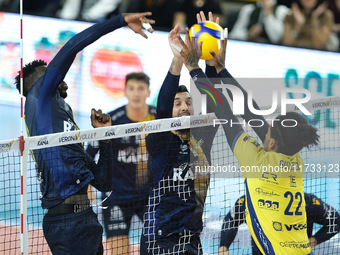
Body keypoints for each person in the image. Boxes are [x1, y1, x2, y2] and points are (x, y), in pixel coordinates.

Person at [14, 12, 155, 255]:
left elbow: (103, 181)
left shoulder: (62, 122)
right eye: (54, 76)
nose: (63, 81)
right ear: (41, 81)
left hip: (85, 219)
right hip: (67, 223)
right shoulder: (41, 97)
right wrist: (120, 21)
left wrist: (105, 136)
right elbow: (72, 46)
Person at [175, 17, 319, 254]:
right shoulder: (295, 159)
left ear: (271, 142)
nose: (265, 126)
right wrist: (220, 67)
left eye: (270, 128)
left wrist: (193, 67)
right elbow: (251, 112)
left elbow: (224, 109)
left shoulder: (256, 161)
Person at [140, 12, 220, 255]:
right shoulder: (160, 139)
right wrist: (177, 59)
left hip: (191, 238)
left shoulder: (202, 138)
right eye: (178, 103)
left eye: (188, 102)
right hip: (159, 239)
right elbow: (162, 109)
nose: (185, 106)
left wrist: (210, 54)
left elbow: (212, 100)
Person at [86, 72, 156, 255]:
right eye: (132, 89)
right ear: (125, 91)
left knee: (157, 248)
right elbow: (89, 153)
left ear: (148, 92)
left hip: (149, 196)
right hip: (116, 197)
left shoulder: (159, 119)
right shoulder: (113, 121)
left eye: (141, 89)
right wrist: (87, 184)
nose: (136, 94)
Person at [218, 193, 340, 254]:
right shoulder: (253, 202)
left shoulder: (308, 204)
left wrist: (312, 241)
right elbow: (231, 219)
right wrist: (223, 247)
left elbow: (336, 221)